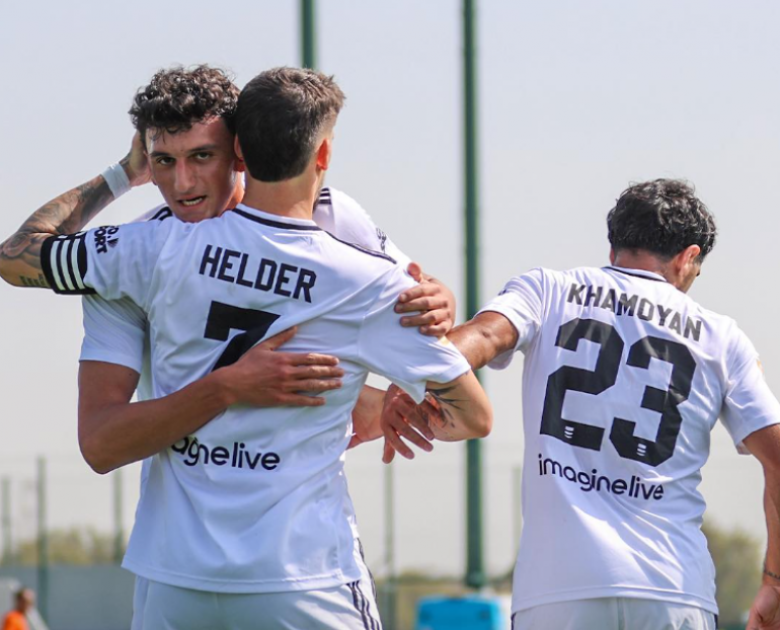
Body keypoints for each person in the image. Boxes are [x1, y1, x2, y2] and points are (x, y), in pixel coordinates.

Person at [7, 66, 493, 629]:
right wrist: (227, 387)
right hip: (219, 571)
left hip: (281, 567)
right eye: (162, 161)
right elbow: (101, 444)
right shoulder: (131, 255)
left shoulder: (330, 216)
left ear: (240, 151)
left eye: (202, 156)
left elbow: (410, 295)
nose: (183, 182)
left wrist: (433, 304)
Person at [381, 179, 780, 630]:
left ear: (614, 246)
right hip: (673, 588)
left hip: (557, 590)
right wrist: (775, 581)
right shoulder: (721, 337)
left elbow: (483, 337)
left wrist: (412, 382)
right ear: (688, 257)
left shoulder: (548, 290)